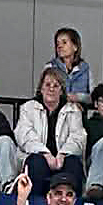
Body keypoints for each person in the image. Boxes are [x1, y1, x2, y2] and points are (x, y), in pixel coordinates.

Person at [15, 65, 87, 195]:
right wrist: (45, 153)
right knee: (37, 163)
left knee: (73, 163)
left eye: (56, 85)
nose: (51, 89)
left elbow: (78, 137)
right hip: (38, 156)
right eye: (47, 85)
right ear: (41, 88)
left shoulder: (73, 110)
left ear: (61, 90)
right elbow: (24, 136)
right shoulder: (28, 108)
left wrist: (63, 154)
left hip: (63, 158)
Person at [48, 25, 91, 103]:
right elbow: (43, 94)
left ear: (75, 47)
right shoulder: (50, 67)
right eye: (57, 43)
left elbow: (92, 97)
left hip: (79, 111)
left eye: (64, 42)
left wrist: (77, 97)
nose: (60, 46)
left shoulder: (86, 68)